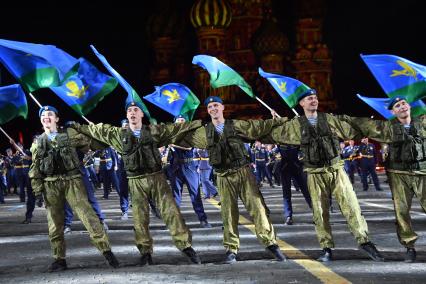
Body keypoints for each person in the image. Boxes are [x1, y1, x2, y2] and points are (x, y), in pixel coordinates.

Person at [69, 100, 202, 265]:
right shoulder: (118, 135)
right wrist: (77, 127)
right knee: (140, 218)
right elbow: (98, 130)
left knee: (171, 212)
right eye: (129, 110)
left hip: (156, 178)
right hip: (135, 180)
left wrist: (196, 123)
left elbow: (174, 129)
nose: (132, 112)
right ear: (127, 115)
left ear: (141, 114)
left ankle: (186, 246)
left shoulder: (153, 131)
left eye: (136, 110)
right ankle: (145, 252)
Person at [268, 90, 384, 262]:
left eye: (315, 97)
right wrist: (276, 121)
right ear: (302, 104)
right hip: (314, 173)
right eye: (309, 98)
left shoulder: (329, 119)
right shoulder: (296, 125)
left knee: (351, 207)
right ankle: (326, 248)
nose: (314, 100)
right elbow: (279, 133)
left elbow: (350, 129)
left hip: (336, 168)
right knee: (320, 212)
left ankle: (365, 241)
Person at [179, 96, 287, 264]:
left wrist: (277, 121)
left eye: (216, 105)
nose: (213, 109)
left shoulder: (236, 125)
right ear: (208, 111)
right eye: (210, 107)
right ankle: (231, 250)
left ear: (223, 108)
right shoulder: (204, 132)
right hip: (223, 176)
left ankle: (271, 244)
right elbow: (183, 138)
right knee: (228, 213)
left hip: (243, 172)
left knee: (258, 208)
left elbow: (257, 128)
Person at [29, 106, 119, 272]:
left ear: (57, 119)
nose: (46, 117)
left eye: (50, 114)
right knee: (55, 225)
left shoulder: (70, 134)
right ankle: (59, 259)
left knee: (88, 216)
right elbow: (35, 169)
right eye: (43, 115)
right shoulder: (38, 142)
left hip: (73, 181)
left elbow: (92, 144)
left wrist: (82, 128)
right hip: (50, 185)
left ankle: (106, 251)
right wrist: (37, 191)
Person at [342, 96, 425, 262]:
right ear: (392, 112)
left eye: (403, 104)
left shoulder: (422, 122)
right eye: (397, 106)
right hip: (398, 174)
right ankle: (409, 246)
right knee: (401, 213)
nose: (402, 107)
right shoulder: (387, 128)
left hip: (422, 172)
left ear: (409, 106)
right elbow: (363, 125)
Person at [169, 114, 211, 228]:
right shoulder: (172, 134)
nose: (181, 122)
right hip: (176, 167)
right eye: (178, 120)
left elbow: (189, 148)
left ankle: (203, 219)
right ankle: (174, 222)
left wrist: (172, 144)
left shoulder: (191, 134)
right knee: (175, 196)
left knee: (195, 193)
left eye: (183, 120)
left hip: (189, 166)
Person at [279, 144, 312, 225]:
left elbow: (303, 150)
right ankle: (288, 216)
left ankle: (317, 214)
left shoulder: (296, 137)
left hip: (296, 166)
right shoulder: (279, 138)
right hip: (285, 167)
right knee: (286, 193)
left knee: (306, 191)